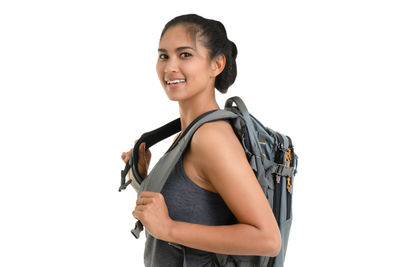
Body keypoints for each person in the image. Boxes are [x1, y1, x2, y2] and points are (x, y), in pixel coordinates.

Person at [121, 14, 281, 266]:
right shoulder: (189, 133)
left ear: (216, 65)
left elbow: (268, 239)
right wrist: (144, 180)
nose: (169, 67)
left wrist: (169, 229)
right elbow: (194, 209)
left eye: (185, 54)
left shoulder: (210, 137)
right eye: (163, 55)